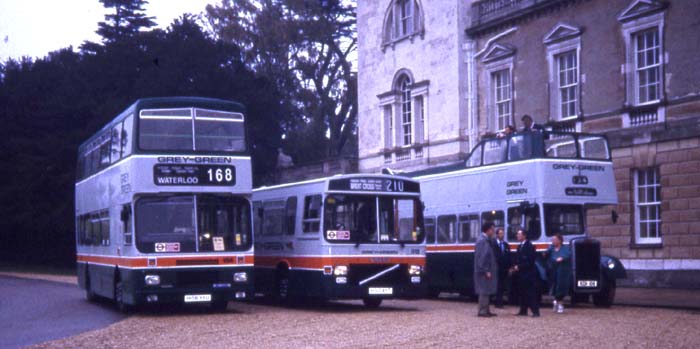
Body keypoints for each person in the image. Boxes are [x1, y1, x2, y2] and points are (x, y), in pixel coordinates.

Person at [510, 228, 540, 317]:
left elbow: (530, 261)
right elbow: (517, 259)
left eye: (519, 234)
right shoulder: (520, 246)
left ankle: (535, 311)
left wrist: (518, 266)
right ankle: (523, 310)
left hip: (528, 274)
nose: (517, 236)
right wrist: (514, 266)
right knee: (522, 292)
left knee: (530, 293)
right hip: (521, 274)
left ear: (524, 236)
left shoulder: (529, 246)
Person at [474, 222, 498, 317]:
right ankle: (482, 310)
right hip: (483, 271)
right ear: (488, 230)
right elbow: (482, 257)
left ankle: (486, 309)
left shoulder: (487, 240)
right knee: (483, 290)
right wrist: (486, 270)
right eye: (492, 229)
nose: (493, 231)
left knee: (487, 290)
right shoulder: (482, 241)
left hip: (486, 269)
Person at [545, 233, 572, 313]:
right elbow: (547, 255)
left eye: (554, 240)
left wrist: (562, 258)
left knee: (561, 286)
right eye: (552, 240)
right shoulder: (551, 248)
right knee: (554, 286)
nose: (553, 241)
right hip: (553, 270)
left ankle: (559, 303)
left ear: (559, 241)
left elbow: (568, 255)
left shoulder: (565, 248)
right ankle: (556, 302)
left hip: (562, 271)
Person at [493, 228, 511, 308]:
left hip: (504, 268)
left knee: (502, 285)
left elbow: (508, 255)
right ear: (497, 235)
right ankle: (497, 302)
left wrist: (509, 266)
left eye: (503, 233)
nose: (502, 235)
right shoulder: (493, 244)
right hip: (497, 267)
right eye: (500, 233)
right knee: (497, 285)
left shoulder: (506, 245)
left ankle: (500, 301)